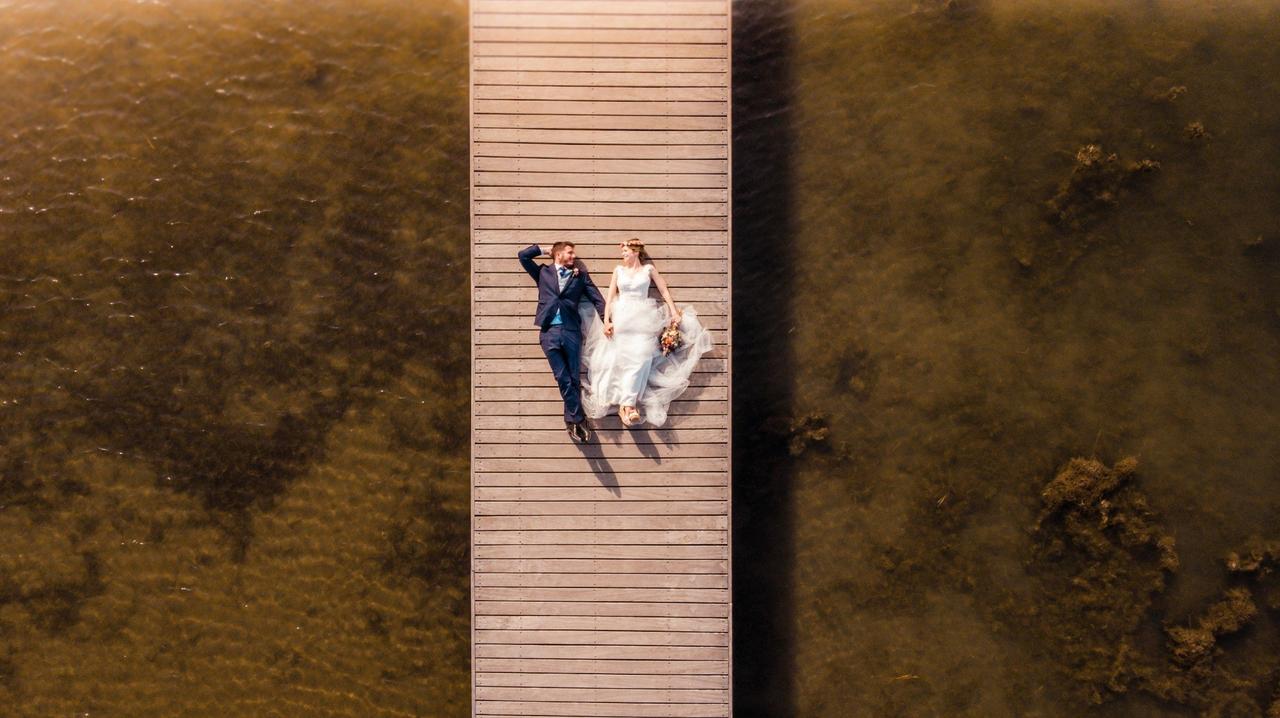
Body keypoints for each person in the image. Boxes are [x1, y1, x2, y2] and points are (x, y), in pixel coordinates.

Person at [577, 238, 714, 428]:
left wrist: (673, 311)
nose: (623, 253)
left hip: (643, 320)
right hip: (622, 320)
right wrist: (607, 321)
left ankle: (628, 404)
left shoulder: (648, 270)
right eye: (623, 251)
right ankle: (628, 407)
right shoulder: (618, 270)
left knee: (641, 360)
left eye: (626, 250)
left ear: (635, 251)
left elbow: (663, 290)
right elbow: (609, 298)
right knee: (622, 362)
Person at [518, 241, 607, 443]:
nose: (574, 255)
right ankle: (577, 419)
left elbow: (597, 299)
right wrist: (544, 249)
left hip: (571, 331)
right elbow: (523, 256)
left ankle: (572, 421)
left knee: (573, 377)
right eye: (569, 252)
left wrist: (608, 320)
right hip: (548, 331)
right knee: (562, 377)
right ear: (558, 255)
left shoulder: (580, 276)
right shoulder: (542, 273)